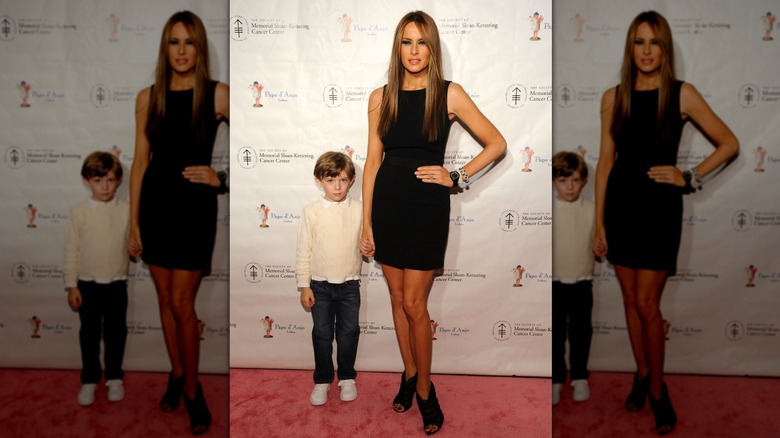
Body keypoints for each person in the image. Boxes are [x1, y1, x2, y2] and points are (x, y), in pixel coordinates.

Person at [360, 10, 506, 435]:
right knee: (395, 298)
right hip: (387, 204)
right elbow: (371, 164)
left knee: (414, 304)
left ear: (433, 47)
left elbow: (496, 143)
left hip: (426, 206)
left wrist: (457, 176)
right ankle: (408, 373)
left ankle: (425, 388)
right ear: (397, 47)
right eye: (407, 42)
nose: (414, 51)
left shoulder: (449, 94)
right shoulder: (380, 97)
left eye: (422, 42)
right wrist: (366, 224)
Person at [593, 11, 738, 435]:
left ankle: (657, 388)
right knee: (628, 302)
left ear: (665, 48)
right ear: (630, 47)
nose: (647, 51)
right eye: (639, 42)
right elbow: (604, 165)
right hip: (620, 207)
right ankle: (641, 373)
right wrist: (598, 225)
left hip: (659, 209)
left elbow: (729, 142)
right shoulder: (612, 97)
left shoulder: (682, 94)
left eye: (654, 43)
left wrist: (690, 175)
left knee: (646, 305)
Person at [128, 10, 229, 436]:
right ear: (165, 48)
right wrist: (132, 224)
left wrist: (223, 178)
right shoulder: (148, 97)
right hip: (155, 209)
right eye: (174, 42)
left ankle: (191, 387)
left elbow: (258, 142)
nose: (182, 51)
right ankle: (175, 373)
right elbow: (138, 164)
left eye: (189, 42)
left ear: (200, 47)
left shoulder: (218, 94)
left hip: (193, 211)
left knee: (183, 305)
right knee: (166, 300)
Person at [63, 152, 130, 407]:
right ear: (86, 181)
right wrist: (71, 285)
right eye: (97, 180)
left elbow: (133, 244)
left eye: (110, 180)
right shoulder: (78, 212)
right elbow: (71, 250)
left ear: (120, 181)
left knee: (116, 334)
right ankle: (89, 380)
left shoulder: (126, 210)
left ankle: (114, 377)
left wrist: (136, 248)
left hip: (117, 284)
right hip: (87, 285)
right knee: (89, 336)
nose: (104, 186)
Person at [296, 151, 363, 406]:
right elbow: (304, 249)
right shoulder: (311, 212)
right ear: (318, 181)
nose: (337, 186)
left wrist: (369, 248)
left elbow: (367, 242)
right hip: (319, 286)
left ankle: (347, 377)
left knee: (349, 333)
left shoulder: (359, 209)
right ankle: (322, 380)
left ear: (352, 180)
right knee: (322, 334)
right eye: (330, 180)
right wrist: (304, 286)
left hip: (350, 285)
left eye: (343, 180)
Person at [551, 151, 594, 406]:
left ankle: (579, 377)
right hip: (554, 283)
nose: (569, 186)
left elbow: (598, 242)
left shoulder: (592, 209)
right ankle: (556, 379)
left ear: (585, 181)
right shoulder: (547, 211)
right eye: (563, 179)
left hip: (582, 282)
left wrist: (601, 246)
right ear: (554, 180)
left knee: (581, 333)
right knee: (556, 334)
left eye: (576, 180)